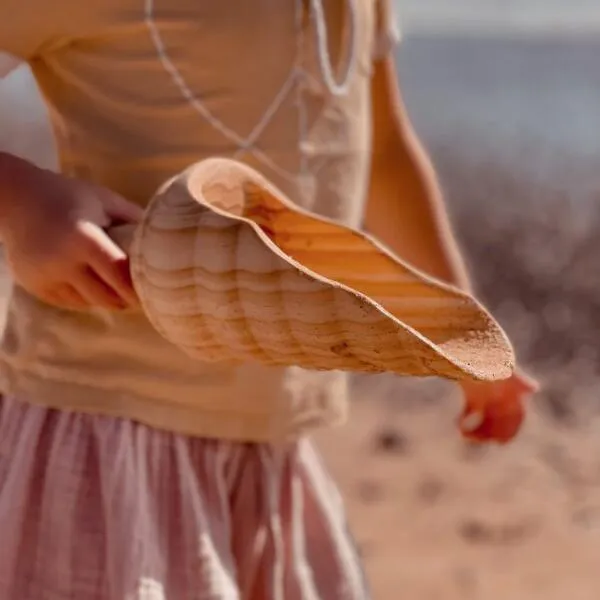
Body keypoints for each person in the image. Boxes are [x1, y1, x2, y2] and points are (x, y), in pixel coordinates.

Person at [0, 1, 537, 598]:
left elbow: (384, 153)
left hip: (276, 442)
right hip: (106, 431)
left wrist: (459, 336)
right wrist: (21, 201)